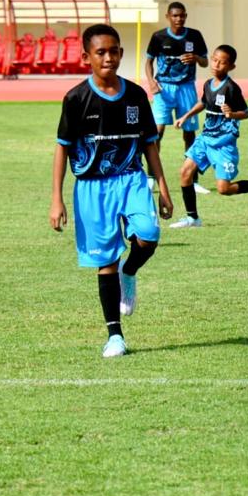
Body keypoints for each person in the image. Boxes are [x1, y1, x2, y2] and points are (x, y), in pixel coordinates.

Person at [50, 24, 174, 358]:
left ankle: (130, 271)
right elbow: (62, 148)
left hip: (131, 178)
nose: (109, 57)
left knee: (148, 234)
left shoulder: (135, 95)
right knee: (105, 261)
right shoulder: (76, 99)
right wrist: (56, 199)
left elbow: (150, 145)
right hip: (92, 188)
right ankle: (114, 336)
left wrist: (162, 186)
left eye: (115, 50)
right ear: (86, 56)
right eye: (101, 52)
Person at [168, 44, 248, 229]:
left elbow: (246, 113)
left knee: (224, 189)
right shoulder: (209, 84)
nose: (216, 65)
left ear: (231, 66)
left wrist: (232, 114)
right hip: (205, 138)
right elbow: (203, 102)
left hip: (223, 143)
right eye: (215, 60)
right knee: (185, 172)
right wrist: (186, 116)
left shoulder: (232, 88)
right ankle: (193, 219)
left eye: (222, 63)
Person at [145, 1, 209, 194]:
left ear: (186, 16)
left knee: (189, 133)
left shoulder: (195, 36)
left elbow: (205, 62)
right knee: (157, 132)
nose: (178, 19)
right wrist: (150, 81)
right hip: (164, 88)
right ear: (168, 17)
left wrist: (196, 58)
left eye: (182, 15)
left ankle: (193, 178)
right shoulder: (159, 37)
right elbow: (148, 62)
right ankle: (150, 177)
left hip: (187, 88)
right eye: (175, 16)